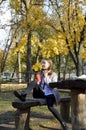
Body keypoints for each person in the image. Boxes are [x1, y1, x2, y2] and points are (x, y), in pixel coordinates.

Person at [14, 58, 68, 130]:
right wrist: (38, 83)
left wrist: (46, 77)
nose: (42, 64)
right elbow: (41, 86)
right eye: (42, 63)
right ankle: (23, 96)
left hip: (51, 95)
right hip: (42, 94)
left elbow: (52, 86)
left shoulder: (53, 74)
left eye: (44, 63)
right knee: (35, 82)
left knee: (50, 107)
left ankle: (63, 123)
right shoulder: (40, 74)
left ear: (49, 64)